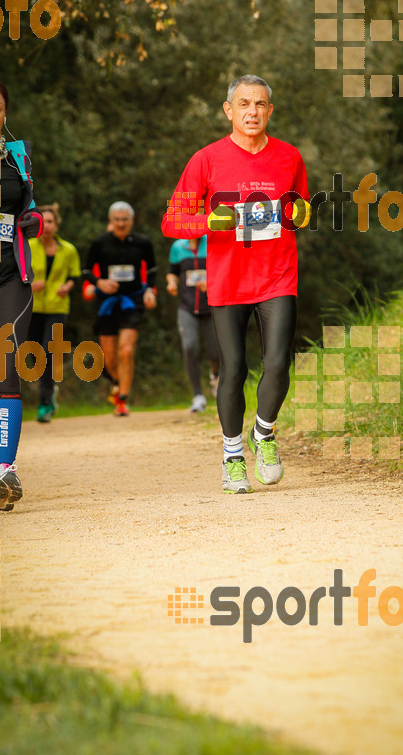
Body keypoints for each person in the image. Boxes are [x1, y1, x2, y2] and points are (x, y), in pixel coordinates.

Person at [162, 74, 310, 494]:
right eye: (244, 104)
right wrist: (208, 221)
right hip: (228, 281)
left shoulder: (290, 157)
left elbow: (298, 204)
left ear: (270, 111)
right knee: (234, 370)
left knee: (278, 362)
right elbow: (171, 222)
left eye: (260, 104)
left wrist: (301, 213)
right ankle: (232, 457)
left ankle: (262, 434)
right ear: (229, 110)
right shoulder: (206, 160)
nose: (252, 112)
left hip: (278, 275)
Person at [0, 77, 44, 511]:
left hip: (7, 280)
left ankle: (6, 471)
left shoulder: (16, 155)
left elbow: (32, 207)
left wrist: (34, 223)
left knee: (4, 370)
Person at [83, 201, 157, 416]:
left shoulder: (143, 243)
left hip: (132, 302)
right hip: (107, 303)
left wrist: (150, 290)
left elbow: (152, 270)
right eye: (117, 219)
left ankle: (122, 399)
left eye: (125, 219)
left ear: (132, 220)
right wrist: (98, 283)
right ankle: (116, 381)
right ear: (111, 221)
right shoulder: (100, 242)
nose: (121, 223)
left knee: (126, 350)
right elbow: (86, 270)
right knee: (109, 357)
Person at [28, 203, 81, 422]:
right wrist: (29, 283)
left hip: (58, 307)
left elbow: (75, 276)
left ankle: (44, 402)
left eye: (50, 221)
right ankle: (50, 392)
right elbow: (18, 273)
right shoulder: (28, 246)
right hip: (33, 307)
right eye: (43, 221)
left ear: (56, 224)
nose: (47, 226)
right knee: (33, 353)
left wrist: (68, 286)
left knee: (50, 351)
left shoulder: (68, 249)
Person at [166, 236, 219, 412]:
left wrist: (211, 283)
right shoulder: (178, 246)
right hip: (187, 308)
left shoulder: (213, 242)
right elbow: (172, 271)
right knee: (189, 347)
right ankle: (198, 396)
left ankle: (217, 378)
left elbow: (225, 270)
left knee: (214, 351)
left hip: (212, 307)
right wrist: (172, 282)